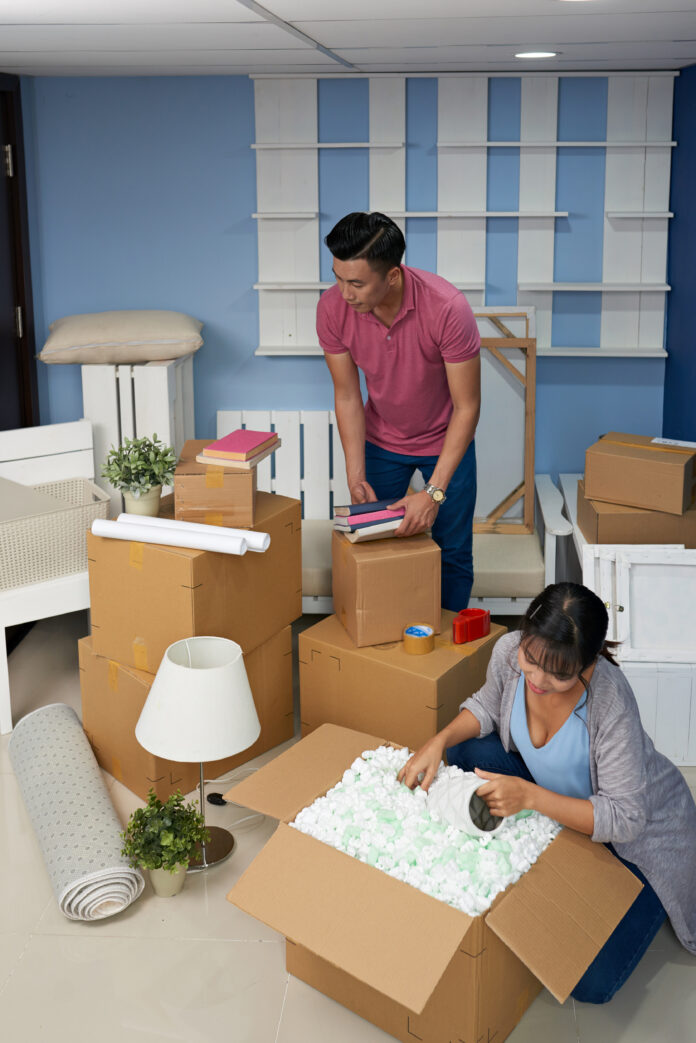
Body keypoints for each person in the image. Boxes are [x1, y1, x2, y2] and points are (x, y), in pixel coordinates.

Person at [397, 582, 696, 1003]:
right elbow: (486, 705)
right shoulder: (509, 654)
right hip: (557, 792)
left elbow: (626, 819)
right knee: (464, 750)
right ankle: (548, 830)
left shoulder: (610, 703)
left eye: (558, 673)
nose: (537, 679)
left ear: (588, 667)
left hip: (640, 838)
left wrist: (530, 798)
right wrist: (438, 740)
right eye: (531, 661)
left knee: (589, 979)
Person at [317, 211, 481, 611]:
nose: (344, 292)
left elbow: (467, 407)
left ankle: (446, 656)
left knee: (452, 550)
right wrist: (356, 475)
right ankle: (387, 647)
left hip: (445, 439)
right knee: (373, 544)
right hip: (381, 439)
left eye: (356, 283)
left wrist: (433, 491)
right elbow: (348, 397)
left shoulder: (447, 308)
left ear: (392, 276)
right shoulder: (332, 308)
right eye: (338, 278)